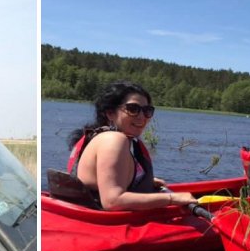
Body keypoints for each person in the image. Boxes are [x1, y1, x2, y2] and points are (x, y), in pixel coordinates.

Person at [65, 81, 195, 210]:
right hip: (103, 224)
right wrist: (172, 198)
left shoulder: (102, 137)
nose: (141, 117)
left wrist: (141, 180)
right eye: (133, 109)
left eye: (147, 111)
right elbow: (112, 201)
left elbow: (105, 179)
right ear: (110, 113)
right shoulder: (113, 140)